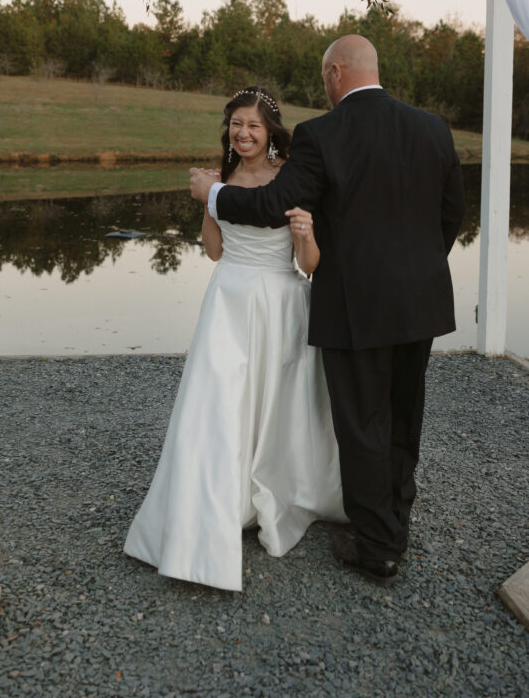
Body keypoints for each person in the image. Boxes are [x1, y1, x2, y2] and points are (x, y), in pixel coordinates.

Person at [190, 36, 465, 584]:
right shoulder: (433, 127)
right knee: (403, 416)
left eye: (324, 76)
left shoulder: (323, 133)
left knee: (362, 422)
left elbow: (270, 205)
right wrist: (418, 272)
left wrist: (213, 195)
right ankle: (395, 524)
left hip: (354, 306)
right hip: (421, 303)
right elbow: (452, 213)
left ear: (335, 72)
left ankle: (378, 545)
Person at [124, 86, 346, 592]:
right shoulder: (220, 179)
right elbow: (214, 251)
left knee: (276, 404)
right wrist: (209, 205)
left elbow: (308, 265)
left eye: (253, 126)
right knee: (217, 404)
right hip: (227, 299)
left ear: (270, 132)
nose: (243, 133)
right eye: (236, 125)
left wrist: (308, 234)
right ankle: (211, 511)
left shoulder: (290, 176)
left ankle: (273, 492)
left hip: (279, 301)